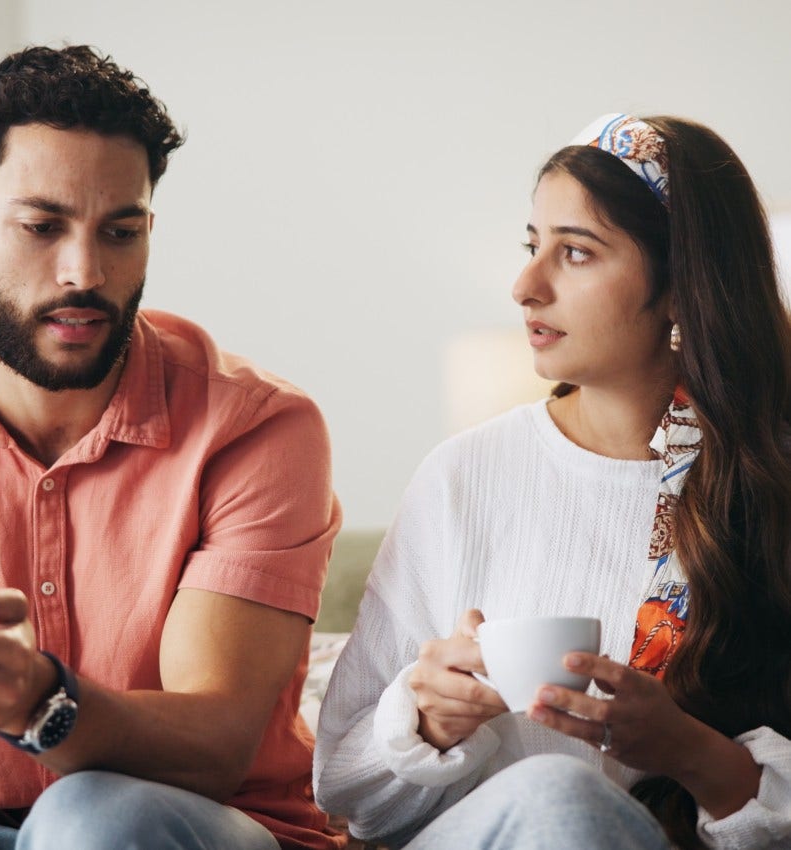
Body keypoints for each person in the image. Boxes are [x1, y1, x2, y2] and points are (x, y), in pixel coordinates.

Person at [314, 112, 791, 850]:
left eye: (575, 252)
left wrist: (690, 753)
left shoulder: (769, 489)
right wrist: (426, 720)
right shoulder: (463, 477)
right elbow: (344, 793)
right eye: (533, 245)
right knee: (552, 792)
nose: (525, 286)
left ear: (679, 287)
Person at [0, 44, 344, 850]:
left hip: (176, 824)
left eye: (120, 231)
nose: (83, 272)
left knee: (92, 816)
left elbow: (212, 746)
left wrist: (34, 699)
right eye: (41, 227)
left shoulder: (255, 428)